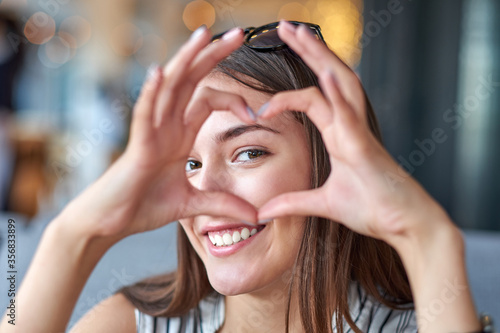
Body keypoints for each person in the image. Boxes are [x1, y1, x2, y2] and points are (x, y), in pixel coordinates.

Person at [0, 20, 486, 333]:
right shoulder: (131, 324)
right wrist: (76, 233)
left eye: (248, 152)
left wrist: (427, 239)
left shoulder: (432, 322)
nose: (205, 191)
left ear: (331, 166)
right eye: (189, 163)